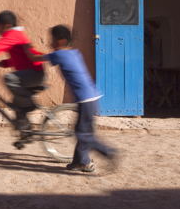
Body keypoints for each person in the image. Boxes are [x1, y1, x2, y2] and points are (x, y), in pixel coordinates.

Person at [24, 25, 119, 172]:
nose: (51, 43)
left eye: (53, 40)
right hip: (93, 96)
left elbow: (35, 58)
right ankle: (80, 162)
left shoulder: (59, 54)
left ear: (61, 41)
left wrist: (28, 47)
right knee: (84, 132)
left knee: (81, 133)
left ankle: (107, 151)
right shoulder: (74, 52)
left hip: (85, 99)